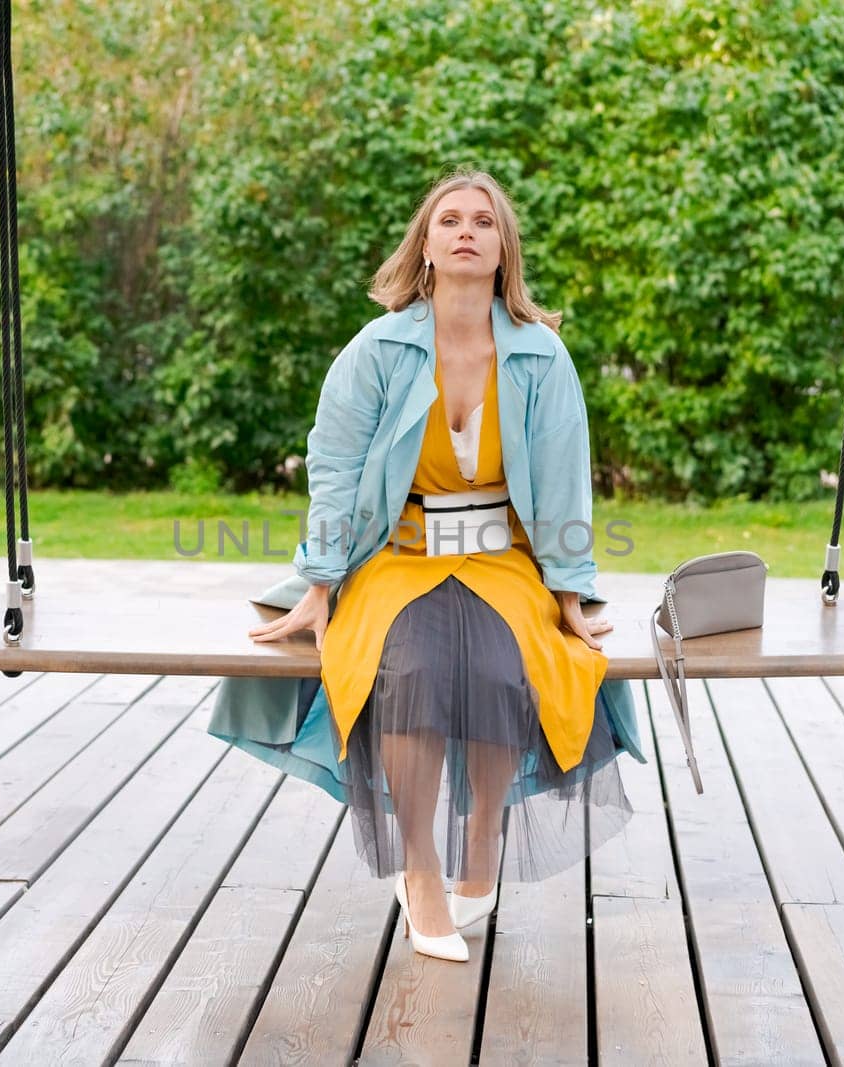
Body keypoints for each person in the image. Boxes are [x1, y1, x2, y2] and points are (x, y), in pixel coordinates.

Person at [207, 168, 646, 963]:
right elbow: (333, 465)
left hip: (503, 558)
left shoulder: (542, 356)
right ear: (428, 245)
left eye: (484, 219)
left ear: (504, 247)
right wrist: (320, 579)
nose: (467, 229)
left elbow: (564, 477)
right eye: (450, 219)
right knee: (409, 666)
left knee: (512, 666)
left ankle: (482, 837)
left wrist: (572, 591)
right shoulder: (378, 349)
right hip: (397, 555)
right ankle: (420, 870)